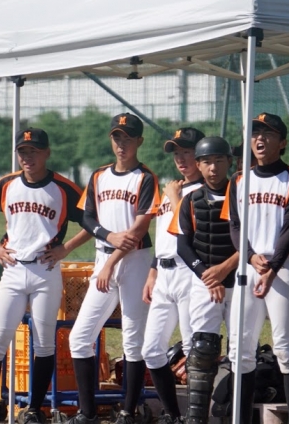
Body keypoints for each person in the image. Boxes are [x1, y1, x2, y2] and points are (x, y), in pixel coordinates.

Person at [0, 127, 90, 424]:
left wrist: (65, 248)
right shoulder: (7, 184)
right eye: (22, 151)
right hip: (13, 270)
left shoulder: (63, 187)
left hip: (46, 270)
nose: (27, 157)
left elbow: (91, 221)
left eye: (34, 151)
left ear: (47, 153)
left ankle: (33, 409)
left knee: (44, 344)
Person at [222, 113, 289, 424]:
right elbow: (235, 225)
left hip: (283, 267)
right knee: (240, 350)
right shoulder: (238, 180)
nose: (260, 138)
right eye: (255, 133)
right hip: (250, 267)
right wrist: (249, 256)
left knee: (286, 348)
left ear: (282, 142)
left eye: (268, 133)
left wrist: (272, 268)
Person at [69, 113, 159, 424]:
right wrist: (107, 239)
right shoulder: (98, 176)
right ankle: (87, 412)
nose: (122, 143)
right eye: (117, 137)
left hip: (135, 261)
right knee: (80, 337)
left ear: (139, 141)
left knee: (133, 340)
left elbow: (137, 232)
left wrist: (109, 263)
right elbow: (87, 218)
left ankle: (128, 412)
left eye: (128, 138)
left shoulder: (145, 178)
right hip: (104, 256)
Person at [168, 136, 238, 424]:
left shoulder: (241, 195)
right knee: (202, 348)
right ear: (198, 165)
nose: (213, 167)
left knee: (241, 351)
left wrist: (224, 270)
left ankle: (236, 413)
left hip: (239, 280)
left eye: (219, 160)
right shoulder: (190, 201)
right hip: (205, 281)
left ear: (229, 162)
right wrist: (208, 276)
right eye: (207, 162)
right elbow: (183, 246)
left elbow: (250, 240)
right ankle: (196, 418)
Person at [140, 127, 205, 424]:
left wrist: (175, 198)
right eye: (176, 153)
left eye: (186, 152)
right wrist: (153, 271)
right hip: (164, 275)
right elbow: (165, 236)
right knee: (152, 350)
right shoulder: (173, 188)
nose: (180, 158)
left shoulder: (206, 190)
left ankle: (195, 416)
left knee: (194, 350)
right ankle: (174, 415)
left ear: (200, 156)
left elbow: (192, 232)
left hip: (189, 273)